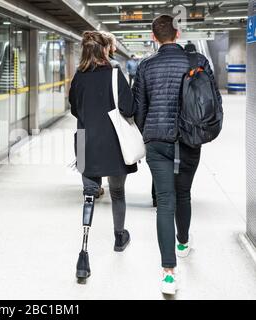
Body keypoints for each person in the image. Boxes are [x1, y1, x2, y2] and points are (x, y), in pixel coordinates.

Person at [133, 15, 222, 295]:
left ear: (154, 36)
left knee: (165, 202)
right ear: (178, 32)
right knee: (183, 194)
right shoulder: (197, 62)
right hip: (189, 139)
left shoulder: (146, 65)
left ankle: (168, 273)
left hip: (157, 141)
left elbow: (139, 109)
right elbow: (214, 102)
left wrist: (149, 131)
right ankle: (183, 243)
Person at [70, 31, 136, 282]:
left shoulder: (78, 76)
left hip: (86, 142)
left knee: (89, 195)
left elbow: (75, 108)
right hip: (113, 142)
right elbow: (129, 108)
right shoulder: (116, 74)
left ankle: (83, 254)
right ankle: (120, 237)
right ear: (105, 50)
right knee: (117, 192)